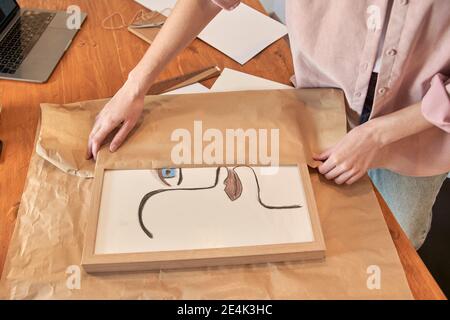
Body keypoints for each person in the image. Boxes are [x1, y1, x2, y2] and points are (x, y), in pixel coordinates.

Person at [87, 0, 450, 249]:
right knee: (322, 235)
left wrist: (378, 134)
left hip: (421, 129)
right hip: (322, 103)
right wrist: (136, 85)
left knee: (399, 241)